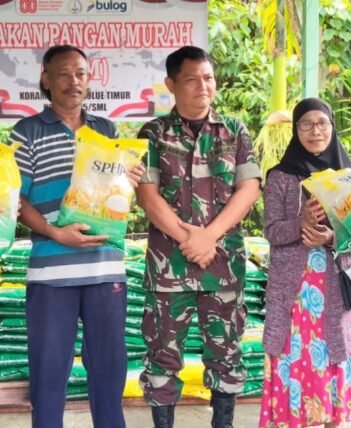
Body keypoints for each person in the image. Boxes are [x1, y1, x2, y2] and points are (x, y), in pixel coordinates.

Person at [9, 44, 143, 428]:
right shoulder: (27, 132)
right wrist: (55, 232)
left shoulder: (106, 130)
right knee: (49, 373)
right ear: (46, 79)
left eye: (81, 73)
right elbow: (16, 199)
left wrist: (128, 179)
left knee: (109, 371)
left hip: (104, 267)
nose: (74, 81)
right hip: (52, 271)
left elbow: (114, 195)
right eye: (64, 74)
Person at [136, 45, 262, 428]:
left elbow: (249, 188)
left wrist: (210, 237)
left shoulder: (235, 130)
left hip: (223, 266)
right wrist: (189, 240)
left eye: (208, 78)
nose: (203, 86)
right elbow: (147, 195)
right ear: (171, 84)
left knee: (226, 355)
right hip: (169, 269)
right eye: (192, 79)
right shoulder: (154, 133)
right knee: (162, 358)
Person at [258, 98, 351, 428]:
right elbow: (272, 231)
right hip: (294, 295)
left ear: (332, 127)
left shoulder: (350, 177)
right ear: (296, 130)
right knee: (294, 358)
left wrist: (331, 238)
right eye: (306, 124)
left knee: (333, 358)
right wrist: (300, 223)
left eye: (322, 123)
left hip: (335, 289)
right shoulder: (280, 177)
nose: (315, 131)